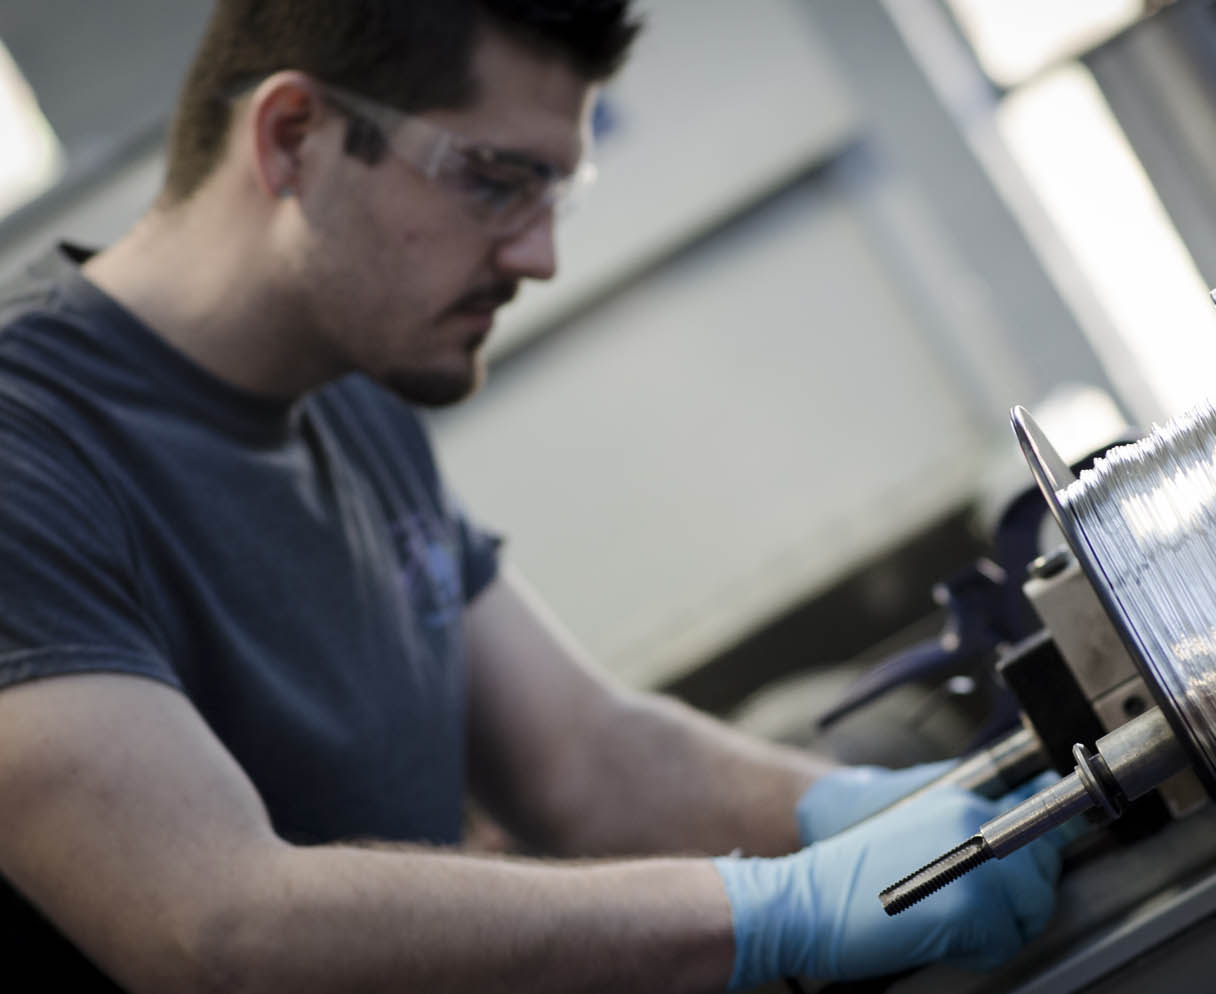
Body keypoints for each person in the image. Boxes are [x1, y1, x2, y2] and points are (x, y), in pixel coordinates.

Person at [0, 2, 1064, 991]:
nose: (540, 255)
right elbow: (209, 925)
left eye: (554, 194)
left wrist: (868, 808)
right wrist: (777, 911)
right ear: (293, 138)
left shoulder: (347, 391)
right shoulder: (27, 451)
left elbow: (583, 756)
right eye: (494, 181)